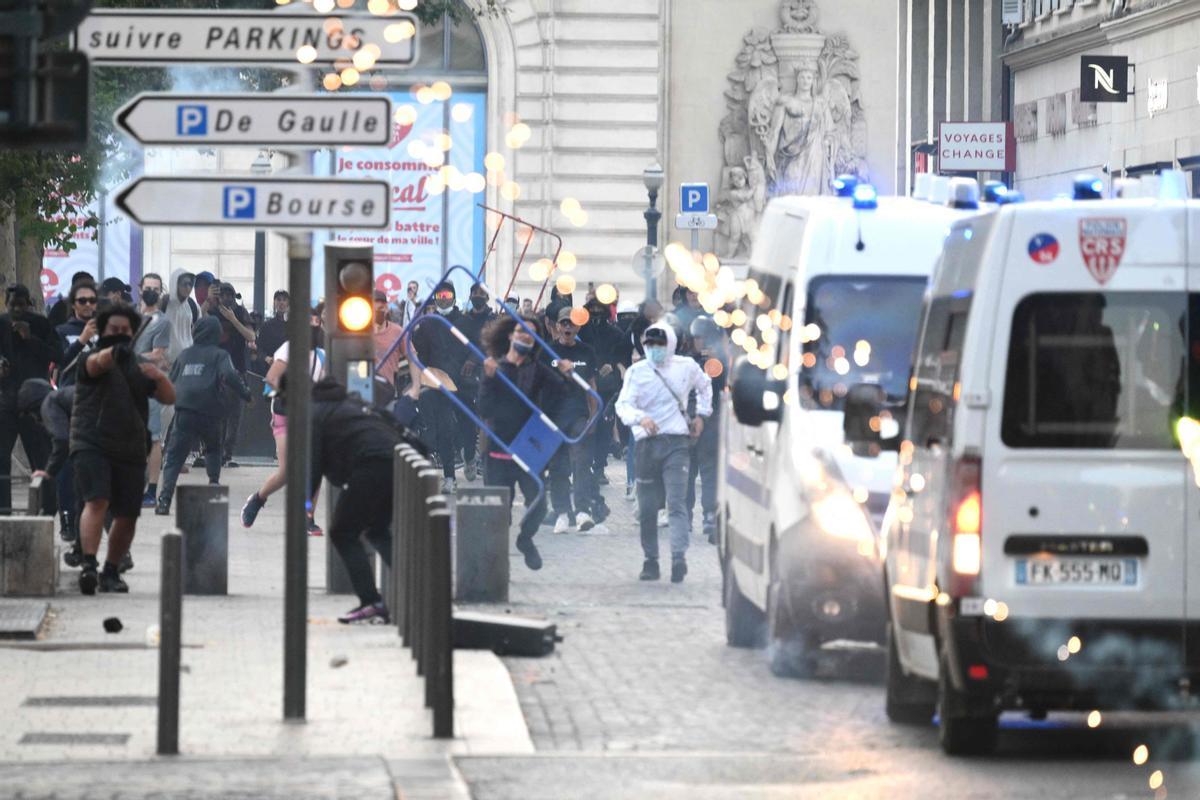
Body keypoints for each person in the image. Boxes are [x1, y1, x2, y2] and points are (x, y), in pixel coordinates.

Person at [72, 304, 175, 594]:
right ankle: (89, 565)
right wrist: (113, 354)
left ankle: (111, 570)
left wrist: (158, 375)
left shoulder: (138, 365)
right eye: (113, 330)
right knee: (98, 500)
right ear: (103, 332)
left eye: (124, 331)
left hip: (130, 447)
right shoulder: (90, 358)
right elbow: (97, 364)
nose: (118, 334)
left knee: (128, 514)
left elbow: (169, 396)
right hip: (92, 442)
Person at [615, 322, 712, 583]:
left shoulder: (686, 367)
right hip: (647, 444)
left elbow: (705, 386)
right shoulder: (636, 372)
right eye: (650, 345)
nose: (655, 349)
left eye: (660, 344)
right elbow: (623, 405)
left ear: (669, 344)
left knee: (676, 502)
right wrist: (640, 418)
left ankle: (678, 557)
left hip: (677, 444)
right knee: (647, 508)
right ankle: (651, 560)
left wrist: (701, 415)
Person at [479, 315, 573, 571]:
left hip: (528, 447)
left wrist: (567, 376)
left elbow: (563, 398)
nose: (525, 336)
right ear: (510, 335)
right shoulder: (495, 368)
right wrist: (488, 379)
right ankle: (495, 567)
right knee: (500, 513)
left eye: (531, 333)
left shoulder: (539, 370)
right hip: (499, 448)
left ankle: (525, 540)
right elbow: (484, 408)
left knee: (540, 504)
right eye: (521, 331)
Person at [309, 376, 405, 624]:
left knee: (342, 532)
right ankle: (419, 588)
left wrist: (306, 505)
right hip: (397, 462)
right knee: (377, 530)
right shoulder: (358, 405)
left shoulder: (318, 412)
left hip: (369, 466)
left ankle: (371, 601)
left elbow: (314, 463)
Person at [241, 310, 327, 534]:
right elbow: (271, 378)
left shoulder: (322, 355)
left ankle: (308, 519)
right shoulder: (290, 348)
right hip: (285, 413)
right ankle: (258, 499)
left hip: (310, 417)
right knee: (287, 471)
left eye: (317, 322)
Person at [155, 317, 250, 514]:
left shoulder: (184, 355)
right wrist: (245, 393)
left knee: (174, 457)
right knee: (213, 449)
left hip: (184, 412)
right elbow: (230, 376)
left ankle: (164, 500)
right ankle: (213, 486)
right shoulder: (220, 355)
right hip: (210, 411)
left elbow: (171, 380)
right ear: (216, 334)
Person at [406, 280, 470, 492]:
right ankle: (449, 476)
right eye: (440, 296)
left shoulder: (463, 322)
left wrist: (469, 366)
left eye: (448, 296)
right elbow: (418, 351)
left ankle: (469, 455)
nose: (444, 300)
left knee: (466, 425)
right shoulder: (428, 323)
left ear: (453, 297)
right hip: (435, 382)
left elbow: (472, 347)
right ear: (435, 298)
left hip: (462, 383)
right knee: (441, 427)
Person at [0, 285, 60, 514]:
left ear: (29, 304)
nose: (16, 309)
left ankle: (47, 507)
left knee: (41, 456)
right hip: (7, 399)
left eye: (21, 304)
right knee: (2, 457)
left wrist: (30, 338)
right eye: (12, 304)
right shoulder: (1, 324)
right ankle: (3, 509)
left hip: (34, 401)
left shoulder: (41, 325)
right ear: (7, 304)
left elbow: (57, 354)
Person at [545, 306, 600, 534]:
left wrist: (594, 417)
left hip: (578, 414)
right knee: (557, 467)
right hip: (553, 416)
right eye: (564, 323)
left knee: (581, 462)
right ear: (557, 326)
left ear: (578, 326)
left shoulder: (587, 351)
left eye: (571, 323)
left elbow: (592, 387)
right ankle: (561, 512)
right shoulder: (547, 351)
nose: (568, 327)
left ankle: (582, 511)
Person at [685, 315, 728, 544]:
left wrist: (715, 361)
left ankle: (710, 515)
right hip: (688, 420)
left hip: (711, 422)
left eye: (703, 337)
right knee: (687, 470)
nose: (699, 342)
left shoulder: (719, 362)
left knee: (710, 471)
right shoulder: (686, 361)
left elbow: (722, 386)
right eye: (696, 338)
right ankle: (685, 514)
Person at [133, 273, 170, 507]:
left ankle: (152, 490)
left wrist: (128, 357)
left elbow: (158, 356)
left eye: (156, 289)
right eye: (148, 288)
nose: (151, 292)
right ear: (140, 289)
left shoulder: (162, 321)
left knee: (153, 438)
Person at [210, 282, 256, 467]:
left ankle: (227, 454)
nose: (227, 299)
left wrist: (233, 319)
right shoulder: (213, 311)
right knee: (216, 415)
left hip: (237, 369)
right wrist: (207, 302)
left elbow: (251, 336)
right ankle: (215, 452)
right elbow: (197, 326)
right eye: (223, 295)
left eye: (230, 295)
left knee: (234, 416)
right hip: (215, 371)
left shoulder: (240, 312)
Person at [456, 283, 496, 481]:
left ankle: (483, 459)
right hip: (465, 377)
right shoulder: (463, 320)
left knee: (485, 419)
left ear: (488, 298)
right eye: (475, 293)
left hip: (487, 374)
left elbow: (491, 344)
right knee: (468, 421)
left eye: (482, 294)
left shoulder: (494, 319)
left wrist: (474, 358)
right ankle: (470, 457)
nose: (478, 296)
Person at [55, 281, 98, 384]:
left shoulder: (105, 330)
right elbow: (61, 362)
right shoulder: (61, 331)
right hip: (71, 393)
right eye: (82, 301)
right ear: (73, 304)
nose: (88, 304)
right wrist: (82, 339)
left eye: (92, 300)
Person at [372, 290, 404, 388]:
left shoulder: (397, 331)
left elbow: (412, 357)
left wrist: (415, 388)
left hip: (388, 388)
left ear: (386, 308)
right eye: (373, 308)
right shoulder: (358, 331)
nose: (377, 311)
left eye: (381, 308)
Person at [256, 290, 289, 374]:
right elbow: (259, 348)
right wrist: (266, 358)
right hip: (272, 369)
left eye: (284, 300)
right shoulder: (266, 326)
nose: (281, 302)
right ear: (274, 303)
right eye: (278, 299)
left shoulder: (295, 326)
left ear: (288, 303)